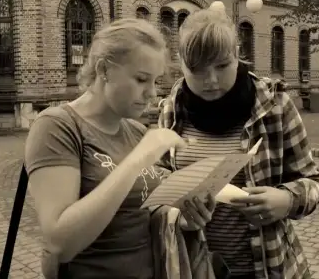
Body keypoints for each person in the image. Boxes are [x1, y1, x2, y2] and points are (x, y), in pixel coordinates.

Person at [24, 18, 215, 279]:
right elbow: (60, 244)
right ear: (104, 69)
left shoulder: (135, 131)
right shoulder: (57, 126)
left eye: (155, 82)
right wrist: (137, 159)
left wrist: (183, 218)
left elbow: (139, 216)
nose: (151, 93)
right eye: (141, 79)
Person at [157, 8, 319, 278]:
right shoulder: (170, 110)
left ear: (237, 54)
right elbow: (156, 185)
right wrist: (175, 207)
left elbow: (313, 183)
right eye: (197, 69)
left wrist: (286, 200)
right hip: (193, 267)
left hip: (265, 268)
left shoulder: (275, 106)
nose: (210, 80)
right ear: (181, 63)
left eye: (222, 66)